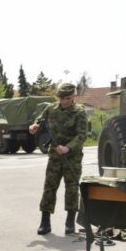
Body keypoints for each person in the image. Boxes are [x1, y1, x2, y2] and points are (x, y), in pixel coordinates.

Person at [29, 83, 87, 235]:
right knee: (49, 187)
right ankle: (45, 222)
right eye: (61, 98)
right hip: (54, 156)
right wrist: (34, 126)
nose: (64, 101)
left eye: (67, 98)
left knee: (72, 188)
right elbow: (40, 120)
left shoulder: (79, 112)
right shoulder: (51, 109)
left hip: (72, 157)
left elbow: (81, 135)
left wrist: (68, 147)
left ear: (73, 96)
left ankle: (69, 222)